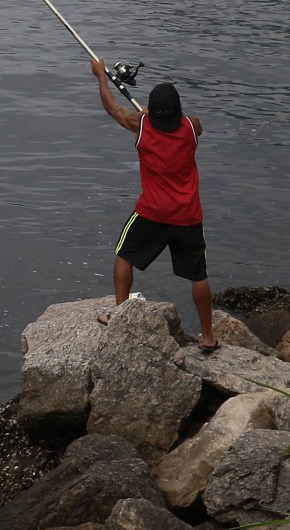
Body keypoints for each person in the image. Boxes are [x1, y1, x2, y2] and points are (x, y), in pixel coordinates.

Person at [90, 57, 217, 352]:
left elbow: (112, 107)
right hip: (188, 215)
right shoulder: (192, 126)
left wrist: (100, 76)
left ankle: (120, 316)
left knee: (124, 256)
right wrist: (158, 115)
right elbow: (191, 123)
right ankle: (208, 337)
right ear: (178, 110)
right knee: (198, 274)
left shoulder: (141, 125)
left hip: (152, 212)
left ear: (152, 112)